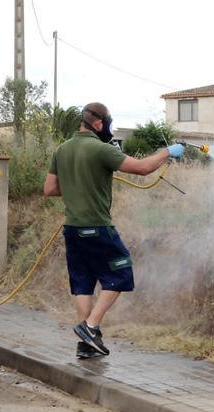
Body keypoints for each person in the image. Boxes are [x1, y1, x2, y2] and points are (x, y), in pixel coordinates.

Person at [43, 102, 184, 358]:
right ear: (98, 123)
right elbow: (142, 168)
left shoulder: (62, 150)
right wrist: (168, 152)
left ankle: (86, 345)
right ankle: (91, 326)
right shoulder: (100, 149)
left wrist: (78, 186)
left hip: (73, 230)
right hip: (97, 228)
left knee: (83, 283)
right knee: (121, 273)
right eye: (107, 122)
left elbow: (50, 189)